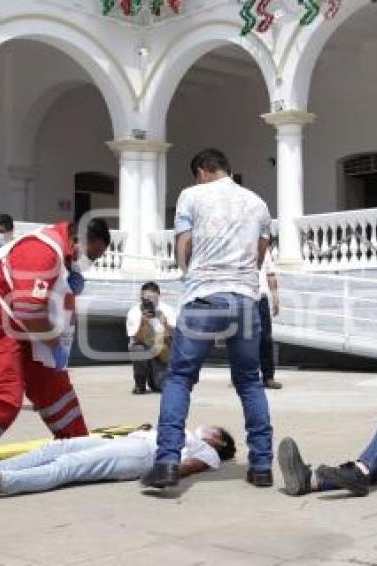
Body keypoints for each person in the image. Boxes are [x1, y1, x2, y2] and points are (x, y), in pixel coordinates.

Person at [0, 219, 111, 488]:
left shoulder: (60, 255)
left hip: (20, 326)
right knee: (4, 397)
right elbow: (30, 310)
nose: (90, 263)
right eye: (92, 256)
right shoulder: (41, 252)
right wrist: (53, 345)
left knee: (55, 388)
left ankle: (76, 446)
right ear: (77, 242)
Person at [144, 148, 274, 489]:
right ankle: (261, 465)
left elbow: (183, 247)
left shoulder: (192, 195)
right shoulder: (257, 202)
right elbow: (261, 256)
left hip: (204, 295)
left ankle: (168, 461)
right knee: (249, 381)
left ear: (202, 171)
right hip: (245, 299)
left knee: (180, 378)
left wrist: (191, 276)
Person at [0, 425, 235, 500]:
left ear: (219, 441)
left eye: (215, 430)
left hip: (143, 455)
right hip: (127, 442)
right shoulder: (184, 428)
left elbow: (187, 467)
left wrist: (158, 472)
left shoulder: (210, 455)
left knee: (71, 464)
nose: (206, 428)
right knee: (60, 446)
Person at [126, 281, 176, 394]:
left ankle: (155, 379)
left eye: (153, 298)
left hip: (162, 349)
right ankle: (140, 383)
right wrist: (143, 323)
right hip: (143, 347)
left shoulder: (167, 309)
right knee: (137, 348)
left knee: (160, 388)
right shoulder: (134, 312)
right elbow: (135, 339)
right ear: (141, 297)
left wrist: (165, 323)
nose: (150, 301)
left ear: (159, 296)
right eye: (146, 298)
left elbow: (176, 335)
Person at [258, 248, 282, 389]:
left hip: (261, 298)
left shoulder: (264, 250)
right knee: (244, 340)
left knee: (266, 339)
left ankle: (268, 377)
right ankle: (245, 376)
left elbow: (270, 274)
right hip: (243, 298)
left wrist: (275, 298)